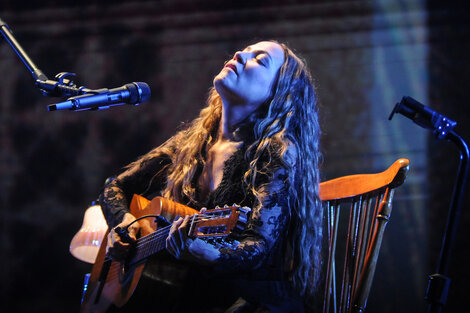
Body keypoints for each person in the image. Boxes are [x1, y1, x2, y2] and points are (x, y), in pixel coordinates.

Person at [99, 40, 323, 313]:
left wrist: (213, 254)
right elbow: (116, 186)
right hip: (189, 292)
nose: (240, 54)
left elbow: (259, 246)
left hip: (250, 298)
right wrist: (123, 223)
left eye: (259, 59)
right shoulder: (191, 144)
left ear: (278, 94)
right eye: (245, 50)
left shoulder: (276, 152)